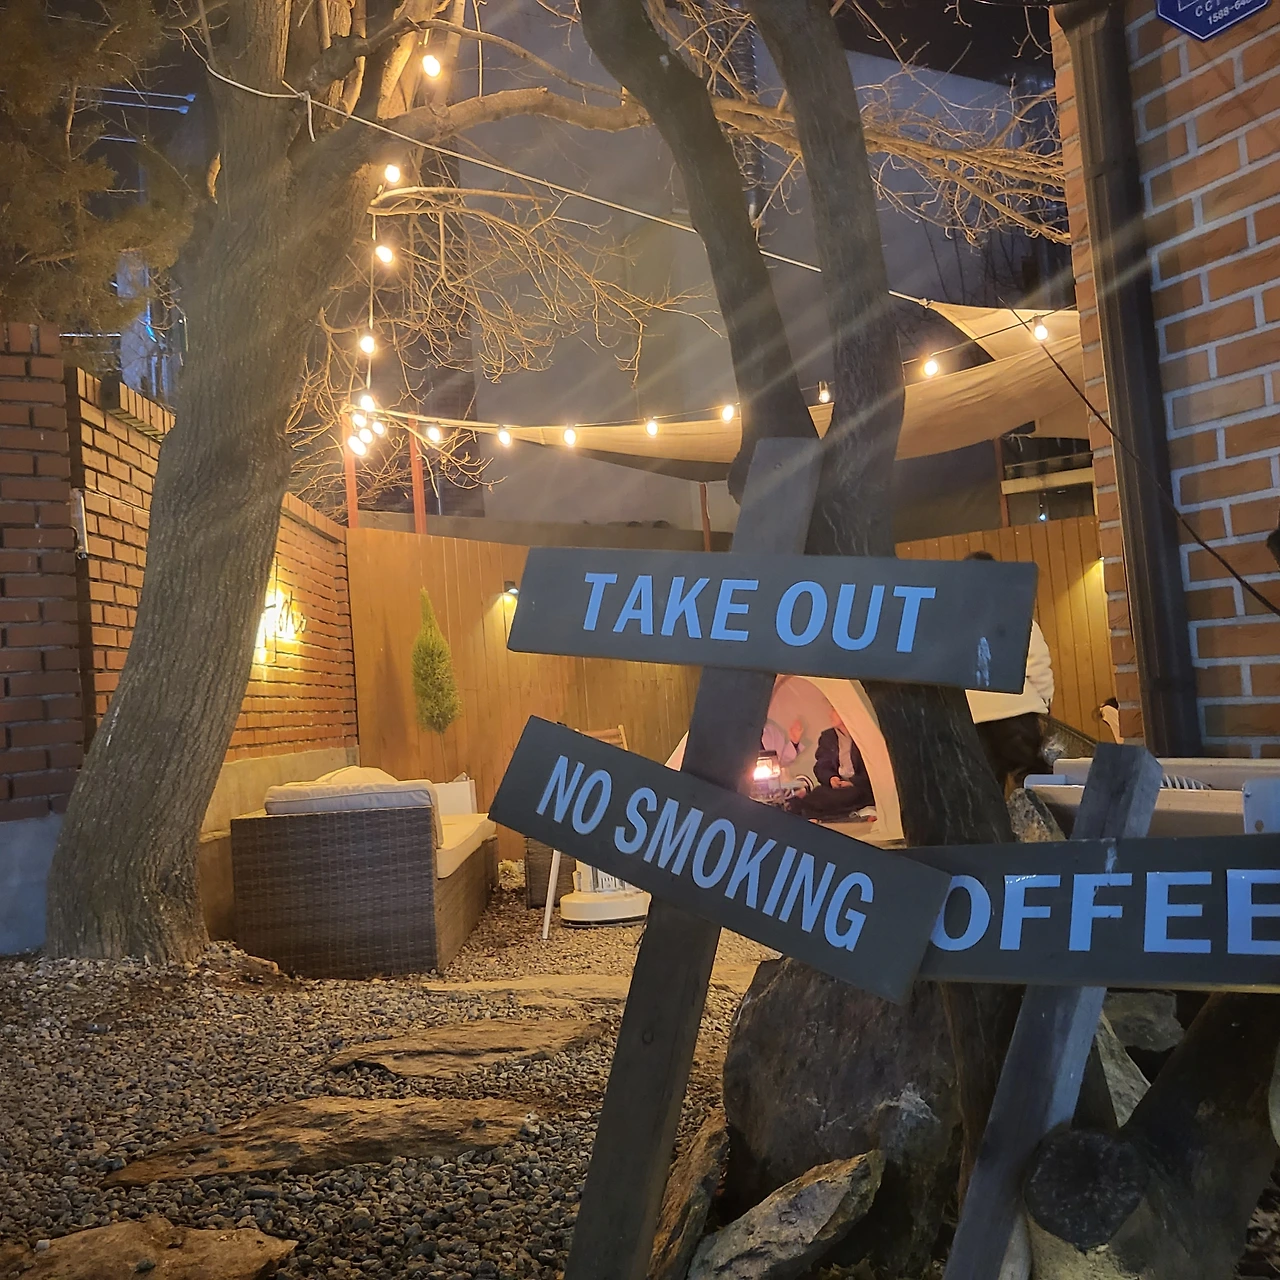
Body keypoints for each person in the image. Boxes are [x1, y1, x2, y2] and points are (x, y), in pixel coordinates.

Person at [965, 550, 1055, 789]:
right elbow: (1037, 666)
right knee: (1033, 786)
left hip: (973, 718)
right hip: (1019, 713)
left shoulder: (956, 625)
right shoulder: (1017, 617)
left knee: (986, 791)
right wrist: (1044, 703)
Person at [789, 707, 873, 818]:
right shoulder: (828, 737)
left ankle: (804, 809)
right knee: (819, 792)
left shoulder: (865, 736)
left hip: (859, 786)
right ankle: (800, 808)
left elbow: (874, 769)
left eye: (834, 710)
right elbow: (822, 766)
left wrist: (853, 782)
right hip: (838, 786)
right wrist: (831, 778)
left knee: (850, 795)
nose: (830, 714)